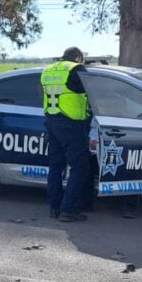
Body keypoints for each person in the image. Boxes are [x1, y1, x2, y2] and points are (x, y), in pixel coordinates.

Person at [42, 46, 91, 221]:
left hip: (52, 121)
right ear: (78, 57)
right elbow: (89, 92)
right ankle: (68, 210)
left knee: (56, 167)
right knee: (80, 167)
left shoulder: (48, 70)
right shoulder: (76, 69)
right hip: (71, 123)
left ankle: (54, 208)